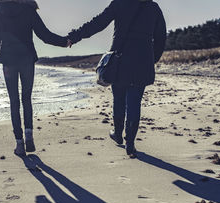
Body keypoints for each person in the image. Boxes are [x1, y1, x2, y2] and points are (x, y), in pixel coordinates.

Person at [67, 0, 167, 158]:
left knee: (119, 97)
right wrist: (151, 59)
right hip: (142, 62)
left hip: (121, 60)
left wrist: (74, 36)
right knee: (134, 101)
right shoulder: (153, 8)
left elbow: (98, 23)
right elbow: (161, 38)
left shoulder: (120, 3)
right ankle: (130, 144)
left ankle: (118, 134)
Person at [0, 0, 69, 157]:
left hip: (9, 61)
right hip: (26, 59)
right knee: (26, 99)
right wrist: (64, 42)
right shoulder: (28, 10)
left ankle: (20, 144)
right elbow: (44, 35)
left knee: (14, 102)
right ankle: (29, 137)